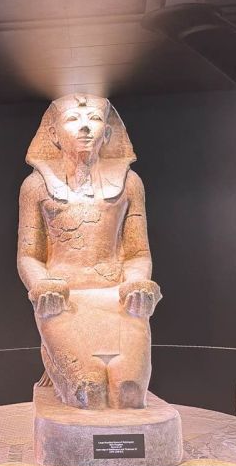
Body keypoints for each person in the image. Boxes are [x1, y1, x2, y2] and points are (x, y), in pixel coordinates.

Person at [17, 94, 161, 410]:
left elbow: (137, 252)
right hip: (63, 301)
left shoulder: (130, 183)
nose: (84, 127)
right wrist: (43, 286)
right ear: (53, 134)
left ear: (107, 133)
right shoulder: (36, 186)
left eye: (94, 119)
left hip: (117, 299)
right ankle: (53, 360)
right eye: (73, 119)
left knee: (129, 392)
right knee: (89, 392)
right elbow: (28, 255)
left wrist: (137, 284)